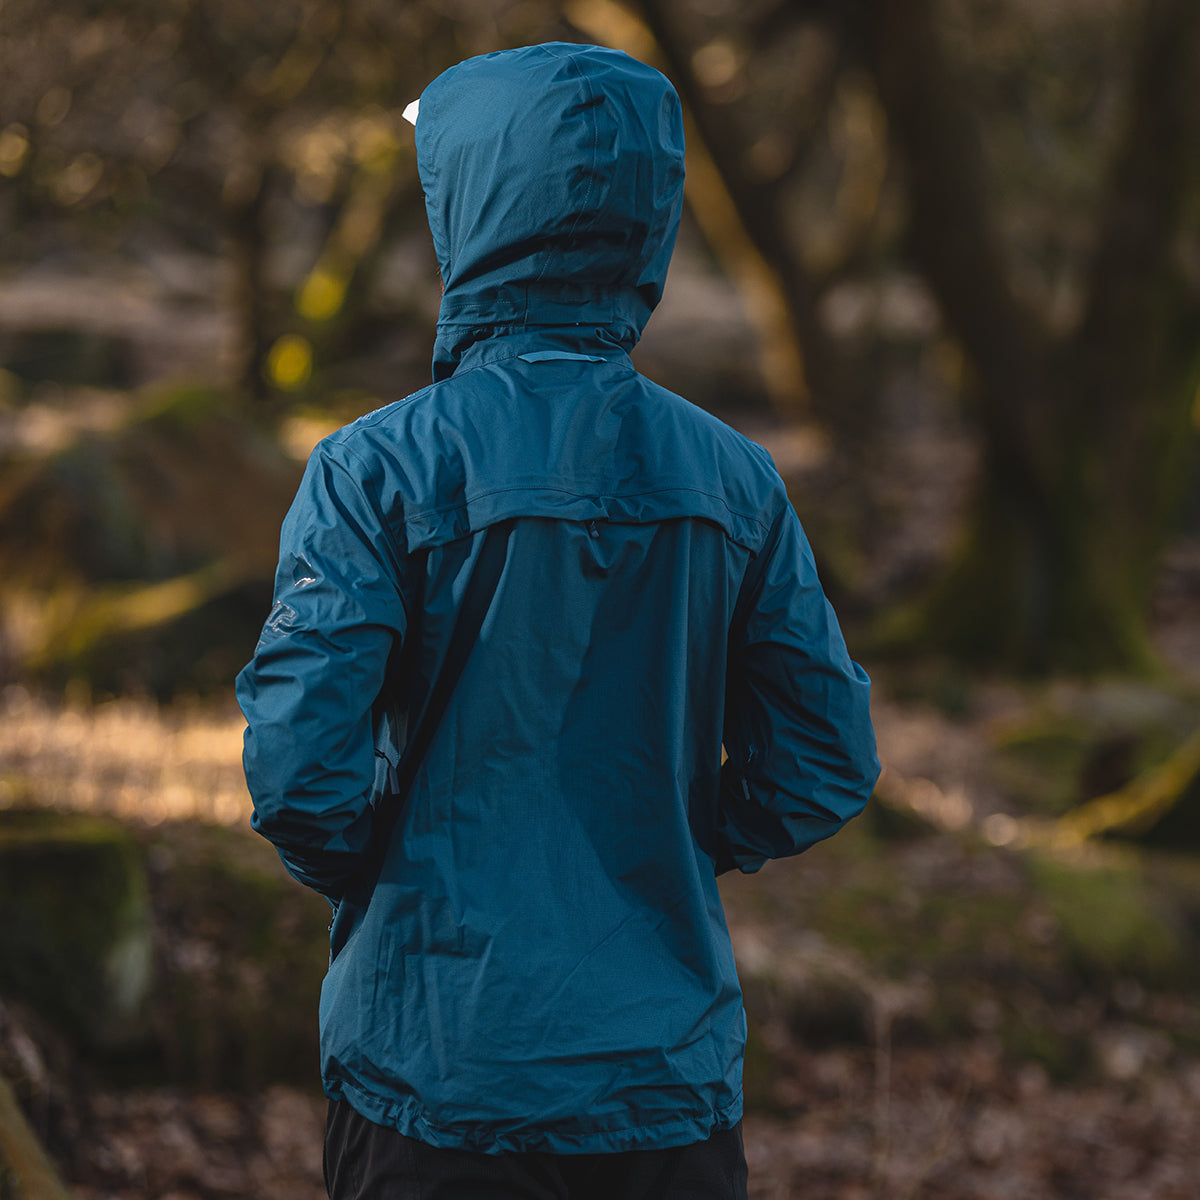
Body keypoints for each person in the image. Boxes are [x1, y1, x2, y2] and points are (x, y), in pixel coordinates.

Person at [237, 42, 879, 1200]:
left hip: (436, 1066)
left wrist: (390, 873)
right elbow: (825, 759)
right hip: (663, 1086)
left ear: (465, 203)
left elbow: (296, 770)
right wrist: (677, 840)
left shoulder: (373, 469)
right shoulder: (733, 479)